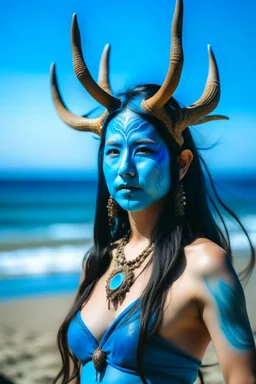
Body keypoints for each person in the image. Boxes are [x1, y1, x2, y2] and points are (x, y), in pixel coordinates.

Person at [50, 0, 256, 383]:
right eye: (113, 151)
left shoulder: (205, 265)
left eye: (143, 149)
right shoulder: (95, 264)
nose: (124, 167)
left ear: (182, 164)